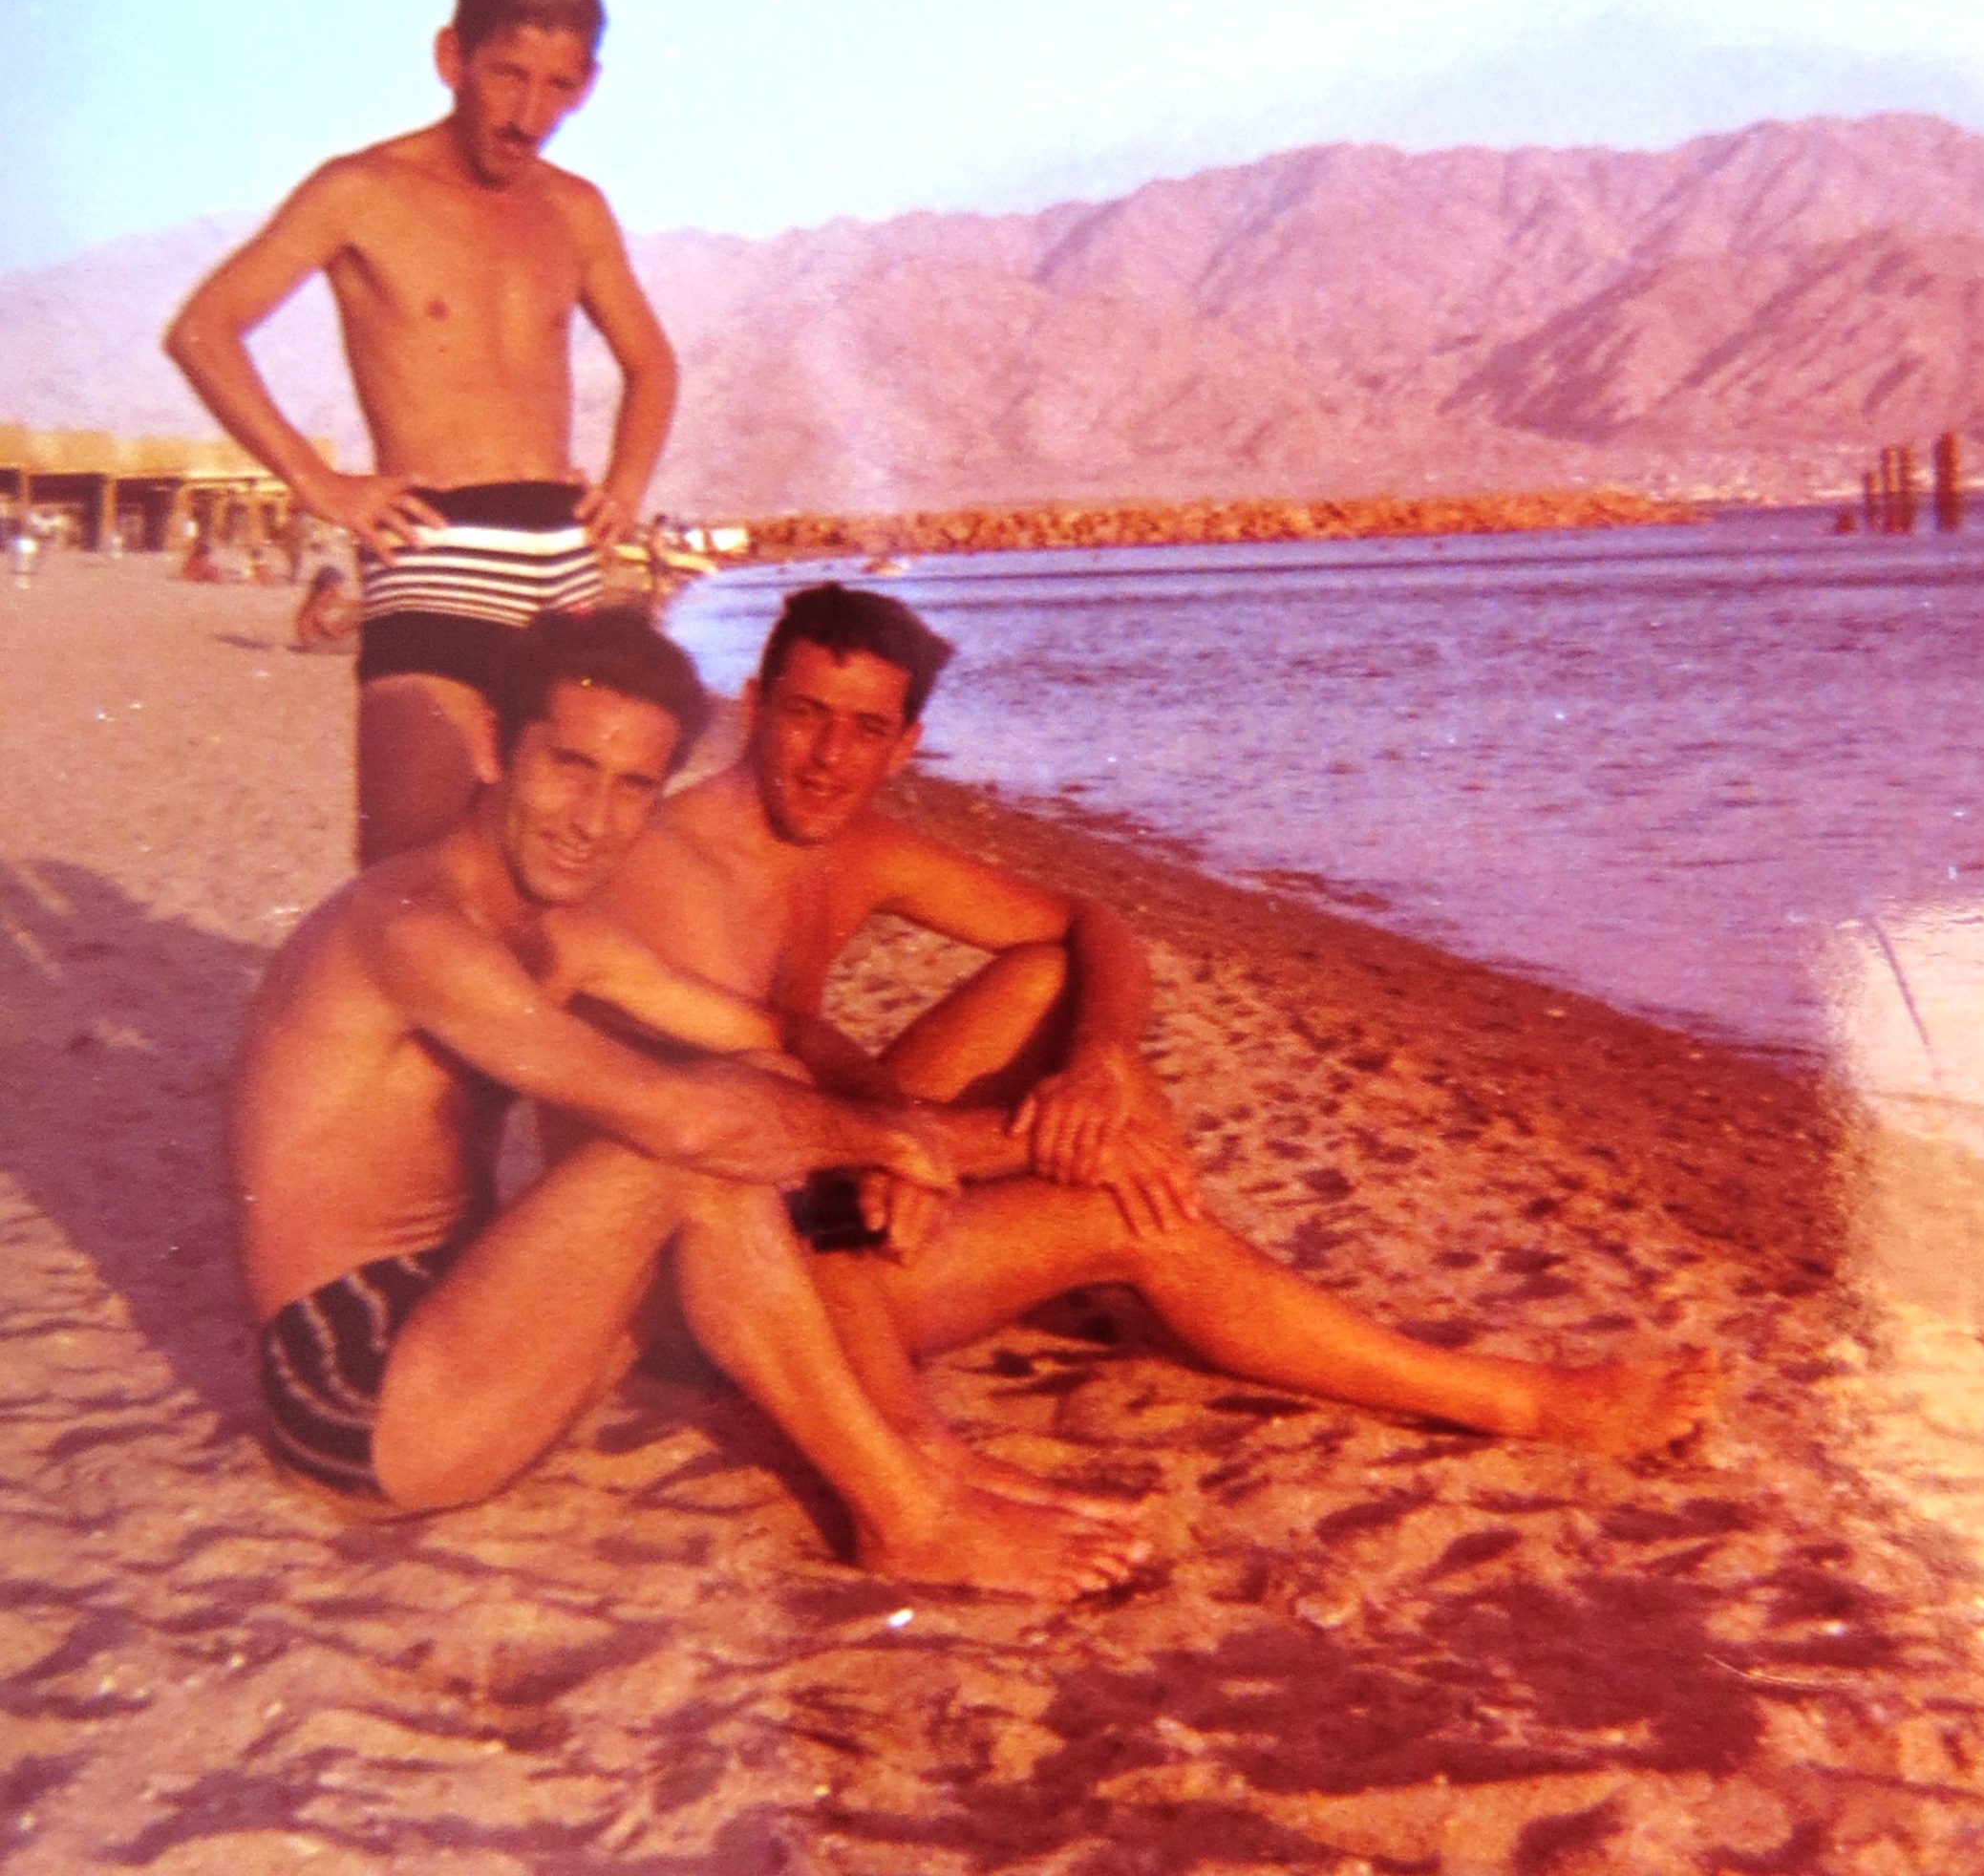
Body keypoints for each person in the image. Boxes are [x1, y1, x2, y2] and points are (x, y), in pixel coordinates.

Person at [593, 585, 1721, 1478]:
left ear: (906, 745)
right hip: (734, 1282)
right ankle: (1521, 1401)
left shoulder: (856, 847)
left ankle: (1181, 1276)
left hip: (821, 1168)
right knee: (1128, 1211)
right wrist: (1001, 1145)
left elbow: (1098, 927)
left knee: (1049, 981)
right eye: (803, 716)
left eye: (864, 730)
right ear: (754, 706)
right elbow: (738, 1129)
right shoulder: (683, 866)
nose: (828, 758)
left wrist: (1097, 1069)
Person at [229, 607, 1145, 1597]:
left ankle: (922, 1455)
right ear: (494, 745)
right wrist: (903, 1143)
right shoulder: (412, 930)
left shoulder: (561, 934)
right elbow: (688, 1121)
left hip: (479, 1341)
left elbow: (773, 1035)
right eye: (570, 765)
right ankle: (907, 1516)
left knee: (739, 1108)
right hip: (362, 1407)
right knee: (693, 1140)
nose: (592, 819)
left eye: (633, 787)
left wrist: (907, 1125)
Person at [165, 0, 679, 863]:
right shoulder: (361, 192)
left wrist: (626, 485)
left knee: (557, 874)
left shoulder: (576, 210)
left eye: (558, 86)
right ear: (453, 57)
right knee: (407, 878)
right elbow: (205, 331)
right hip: (437, 553)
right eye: (507, 75)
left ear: (588, 85)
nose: (529, 114)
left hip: (567, 566)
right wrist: (319, 483)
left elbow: (653, 364)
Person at [292, 565, 360, 651]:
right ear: (330, 585)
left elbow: (352, 603)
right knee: (359, 641)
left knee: (358, 613)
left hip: (322, 638)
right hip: (317, 645)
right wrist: (355, 626)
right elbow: (336, 634)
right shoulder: (316, 605)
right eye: (339, 584)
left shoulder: (323, 598)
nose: (341, 588)